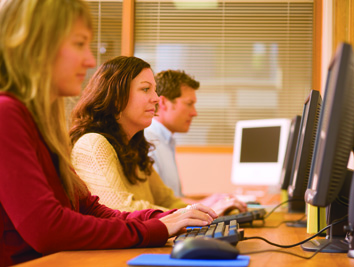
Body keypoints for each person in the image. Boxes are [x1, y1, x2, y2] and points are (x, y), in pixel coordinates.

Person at [0, 1, 216, 266]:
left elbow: (91, 209)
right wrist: (156, 228)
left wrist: (168, 219)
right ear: (34, 45)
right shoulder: (6, 113)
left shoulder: (43, 123)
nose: (90, 59)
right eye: (79, 44)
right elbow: (48, 228)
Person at [69, 57, 244, 216]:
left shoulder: (134, 147)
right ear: (116, 98)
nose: (155, 98)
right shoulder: (93, 143)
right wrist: (191, 214)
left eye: (154, 90)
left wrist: (208, 212)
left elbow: (167, 200)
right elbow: (119, 209)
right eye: (145, 89)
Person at [144, 70, 247, 212]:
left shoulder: (166, 140)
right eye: (189, 103)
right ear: (163, 103)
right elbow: (156, 204)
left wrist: (212, 199)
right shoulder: (148, 142)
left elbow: (172, 199)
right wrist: (208, 203)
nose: (194, 112)